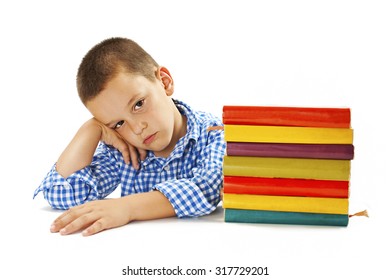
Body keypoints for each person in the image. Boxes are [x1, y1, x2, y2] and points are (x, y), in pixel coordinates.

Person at [34, 37, 226, 236]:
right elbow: (61, 193)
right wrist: (90, 130)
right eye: (118, 123)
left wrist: (127, 208)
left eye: (139, 104)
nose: (136, 129)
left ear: (164, 82)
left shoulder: (213, 133)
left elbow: (207, 186)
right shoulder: (124, 149)